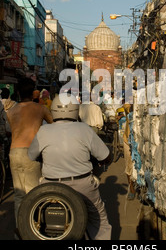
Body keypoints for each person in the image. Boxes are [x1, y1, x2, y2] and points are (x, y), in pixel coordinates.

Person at [28, 94, 112, 240]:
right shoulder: (84, 129)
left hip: (50, 186)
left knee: (39, 218)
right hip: (82, 185)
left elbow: (31, 155)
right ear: (75, 110)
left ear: (53, 110)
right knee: (99, 220)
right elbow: (105, 156)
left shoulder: (44, 130)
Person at [6, 78, 53, 230]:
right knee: (34, 192)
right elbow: (54, 123)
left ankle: (21, 227)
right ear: (33, 92)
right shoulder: (40, 108)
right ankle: (34, 227)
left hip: (14, 152)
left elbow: (7, 130)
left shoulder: (11, 110)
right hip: (31, 152)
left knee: (19, 193)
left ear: (18, 92)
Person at [122, 103, 136, 200]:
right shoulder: (129, 104)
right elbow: (127, 107)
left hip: (142, 141)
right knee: (129, 166)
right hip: (128, 140)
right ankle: (131, 189)